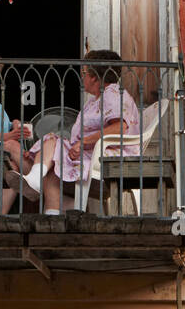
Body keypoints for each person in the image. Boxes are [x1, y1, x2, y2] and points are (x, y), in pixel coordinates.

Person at [7, 49, 141, 215]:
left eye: (83, 72)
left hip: (105, 157)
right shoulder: (97, 99)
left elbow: (119, 127)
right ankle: (50, 214)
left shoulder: (113, 94)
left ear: (94, 76)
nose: (81, 77)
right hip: (92, 154)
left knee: (53, 145)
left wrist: (83, 142)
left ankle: (36, 179)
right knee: (53, 166)